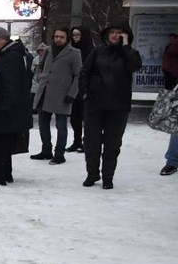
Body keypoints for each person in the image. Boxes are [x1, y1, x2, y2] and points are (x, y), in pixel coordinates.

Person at [79, 23, 142, 189]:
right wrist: (85, 92)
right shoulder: (97, 52)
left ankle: (108, 176)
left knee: (112, 144)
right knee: (92, 142)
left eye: (119, 32)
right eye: (112, 32)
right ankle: (92, 173)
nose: (115, 35)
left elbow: (135, 66)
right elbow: (85, 71)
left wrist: (126, 45)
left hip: (118, 105)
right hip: (94, 103)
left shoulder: (129, 54)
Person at [0, 26, 33, 186]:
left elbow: (11, 85)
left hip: (5, 110)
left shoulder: (11, 57)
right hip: (2, 107)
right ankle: (2, 174)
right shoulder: (8, 55)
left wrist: (5, 107)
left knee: (0, 143)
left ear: (2, 40)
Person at [30, 27, 82, 165]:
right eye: (56, 36)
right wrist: (42, 77)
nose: (58, 39)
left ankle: (59, 154)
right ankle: (46, 150)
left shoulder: (74, 53)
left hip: (62, 93)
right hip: (45, 91)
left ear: (67, 39)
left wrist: (72, 93)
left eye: (61, 37)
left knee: (61, 125)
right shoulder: (48, 50)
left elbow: (78, 75)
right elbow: (40, 66)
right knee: (43, 123)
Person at [66, 25, 95, 152]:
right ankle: (77, 141)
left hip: (86, 88)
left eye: (78, 35)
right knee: (74, 117)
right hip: (72, 86)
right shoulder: (70, 50)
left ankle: (87, 141)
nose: (75, 37)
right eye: (73, 35)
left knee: (86, 117)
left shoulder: (90, 50)